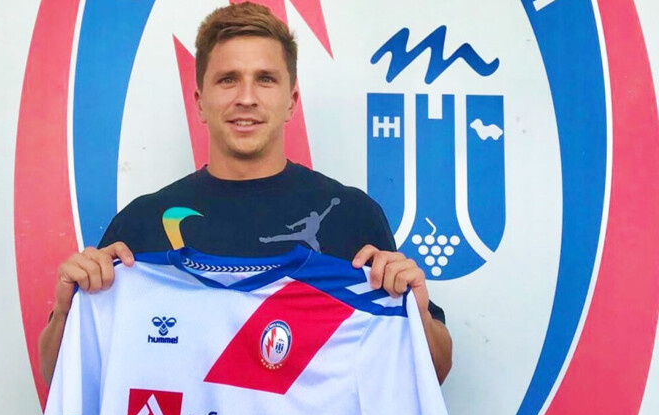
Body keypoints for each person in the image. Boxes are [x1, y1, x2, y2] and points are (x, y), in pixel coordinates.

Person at [39, 2, 452, 386]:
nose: (247, 98)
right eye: (228, 80)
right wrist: (67, 310)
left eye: (265, 79)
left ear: (291, 101)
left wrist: (415, 310)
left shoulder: (351, 214)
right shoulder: (142, 223)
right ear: (200, 102)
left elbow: (432, 373)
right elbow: (64, 379)